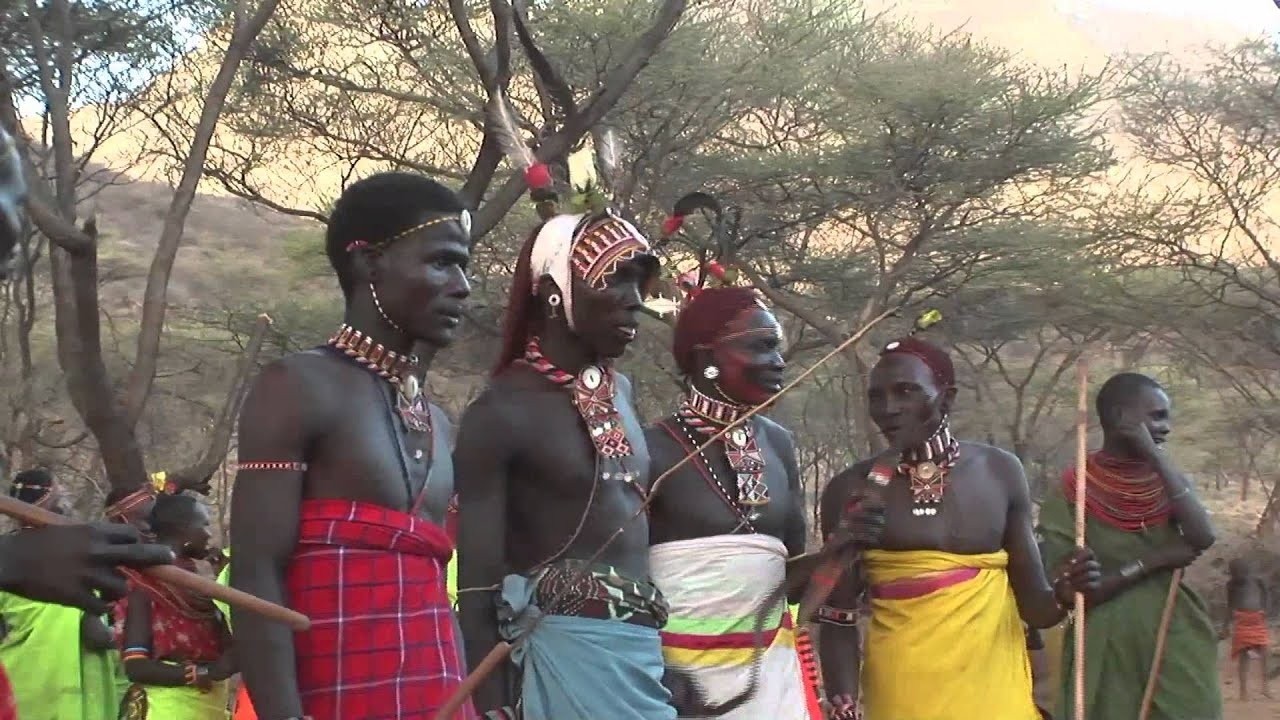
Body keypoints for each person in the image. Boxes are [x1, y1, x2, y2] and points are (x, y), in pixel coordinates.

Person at [230, 172, 474, 720]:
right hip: (331, 695)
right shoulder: (296, 385)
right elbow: (256, 573)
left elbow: (434, 591)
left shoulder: (437, 419)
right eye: (442, 262)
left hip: (439, 695)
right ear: (367, 262)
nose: (463, 285)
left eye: (465, 266)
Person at [454, 199, 672, 720]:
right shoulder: (500, 411)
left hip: (640, 658)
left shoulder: (624, 393)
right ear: (555, 298)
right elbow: (479, 584)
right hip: (557, 657)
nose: (633, 301)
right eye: (615, 282)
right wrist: (492, 704)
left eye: (639, 284)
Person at [816, 334, 1100, 720]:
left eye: (906, 392)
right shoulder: (851, 490)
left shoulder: (1000, 472)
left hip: (993, 689)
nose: (889, 409)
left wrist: (1066, 593)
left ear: (946, 398)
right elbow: (839, 616)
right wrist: (843, 702)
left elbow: (1036, 607)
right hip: (902, 690)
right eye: (876, 397)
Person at [644, 286, 818, 718]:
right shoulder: (653, 451)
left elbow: (791, 585)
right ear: (706, 360)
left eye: (776, 348)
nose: (778, 362)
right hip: (680, 687)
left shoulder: (779, 445)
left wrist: (844, 546)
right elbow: (623, 588)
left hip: (773, 686)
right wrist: (659, 674)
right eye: (761, 347)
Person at [1039, 371, 1220, 720]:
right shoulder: (1073, 488)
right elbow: (1080, 593)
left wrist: (1154, 455)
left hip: (1175, 627)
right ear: (1121, 417)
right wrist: (1156, 559)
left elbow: (1202, 536)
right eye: (1156, 416)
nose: (1166, 426)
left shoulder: (1167, 478)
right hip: (1106, 636)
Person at [0, 470, 123, 720]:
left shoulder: (7, 559)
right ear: (45, 502)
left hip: (20, 687)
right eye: (60, 496)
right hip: (70, 691)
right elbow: (95, 635)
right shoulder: (71, 560)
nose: (66, 504)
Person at [113, 493, 235, 719]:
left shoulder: (201, 580)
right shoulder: (146, 582)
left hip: (210, 706)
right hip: (167, 708)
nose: (209, 534)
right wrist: (205, 672)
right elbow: (136, 666)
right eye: (204, 524)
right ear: (183, 529)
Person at [1227, 557, 1271, 700]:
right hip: (1242, 621)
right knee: (1243, 655)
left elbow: (1266, 594)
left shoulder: (1257, 581)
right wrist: (1225, 625)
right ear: (1231, 574)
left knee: (1264, 652)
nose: (1238, 576)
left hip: (1257, 620)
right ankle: (1243, 691)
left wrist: (1265, 609)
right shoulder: (1231, 585)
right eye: (1235, 574)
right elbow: (1230, 605)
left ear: (1246, 571)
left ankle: (1265, 687)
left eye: (1241, 573)